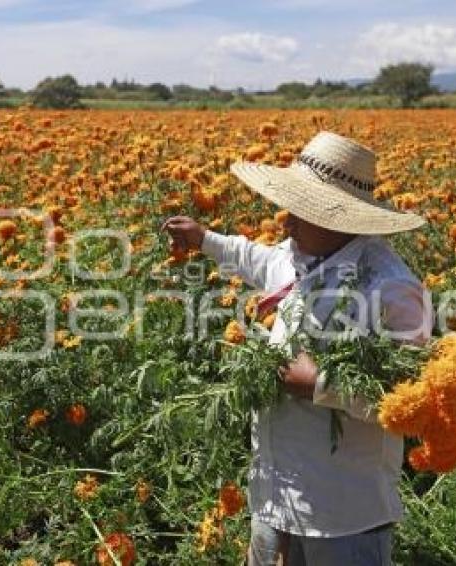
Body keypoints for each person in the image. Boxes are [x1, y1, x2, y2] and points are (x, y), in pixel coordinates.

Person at [162, 131, 433, 565]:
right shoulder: (301, 254)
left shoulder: (390, 288)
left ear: (340, 216)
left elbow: (411, 400)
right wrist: (205, 239)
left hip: (341, 513)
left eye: (300, 210)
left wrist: (318, 384)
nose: (286, 220)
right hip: (275, 494)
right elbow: (260, 261)